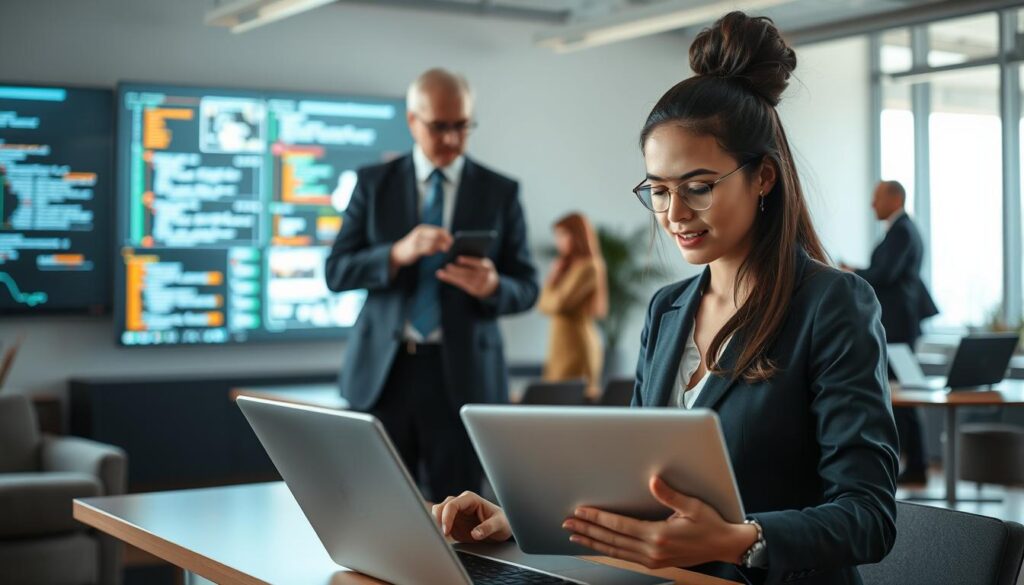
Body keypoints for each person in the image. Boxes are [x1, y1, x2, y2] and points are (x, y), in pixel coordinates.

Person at [430, 12, 898, 585]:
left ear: (764, 179)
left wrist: (741, 538)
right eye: (658, 190)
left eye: (698, 187)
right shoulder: (667, 309)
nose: (675, 214)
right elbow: (636, 489)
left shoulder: (834, 304)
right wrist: (522, 518)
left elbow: (870, 516)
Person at [325, 68, 538, 501]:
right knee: (379, 506)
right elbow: (337, 271)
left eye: (462, 126)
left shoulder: (500, 191)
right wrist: (395, 253)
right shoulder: (372, 185)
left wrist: (493, 286)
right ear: (412, 121)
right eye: (439, 127)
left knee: (459, 513)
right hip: (385, 375)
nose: (452, 140)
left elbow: (528, 287)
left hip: (463, 379)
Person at [841, 180, 938, 486]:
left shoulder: (902, 232)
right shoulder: (902, 231)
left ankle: (915, 463)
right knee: (898, 395)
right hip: (899, 324)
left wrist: (852, 274)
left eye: (877, 198)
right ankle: (914, 464)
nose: (872, 205)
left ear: (895, 199)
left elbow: (885, 275)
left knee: (900, 396)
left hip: (898, 325)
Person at [538, 212, 608, 398]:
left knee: (571, 398)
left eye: (563, 235)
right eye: (557, 236)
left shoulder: (589, 267)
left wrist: (552, 282)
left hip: (576, 345)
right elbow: (542, 305)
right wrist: (553, 279)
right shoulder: (567, 267)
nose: (558, 241)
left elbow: (559, 304)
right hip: (560, 343)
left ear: (577, 235)